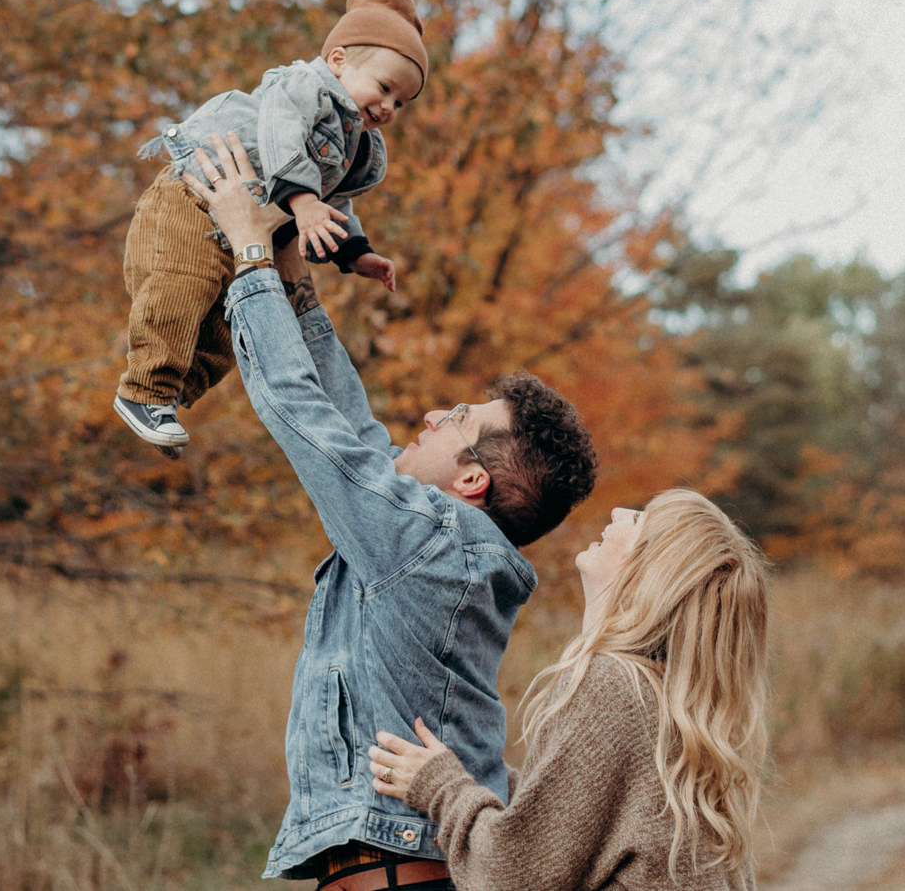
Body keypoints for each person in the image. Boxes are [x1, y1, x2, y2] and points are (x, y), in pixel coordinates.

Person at [183, 131, 600, 890]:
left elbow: (306, 418)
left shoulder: (434, 543)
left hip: (402, 872)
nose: (438, 412)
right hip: (397, 868)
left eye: (461, 420)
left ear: (472, 481)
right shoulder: (439, 542)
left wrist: (247, 253)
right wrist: (292, 281)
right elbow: (350, 425)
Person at [364, 489, 770, 891]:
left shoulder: (615, 686)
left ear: (652, 571)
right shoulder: (659, 701)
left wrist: (443, 788)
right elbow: (585, 828)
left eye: (638, 520)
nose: (618, 508)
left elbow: (514, 876)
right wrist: (481, 766)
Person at [114, 0, 430, 453]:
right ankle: (144, 391)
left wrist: (355, 252)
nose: (387, 108)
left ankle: (177, 390)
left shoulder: (354, 143)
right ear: (338, 60)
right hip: (191, 204)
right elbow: (281, 136)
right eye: (384, 88)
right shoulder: (304, 88)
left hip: (240, 236)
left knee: (232, 325)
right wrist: (301, 202)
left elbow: (336, 204)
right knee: (186, 285)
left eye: (400, 103)